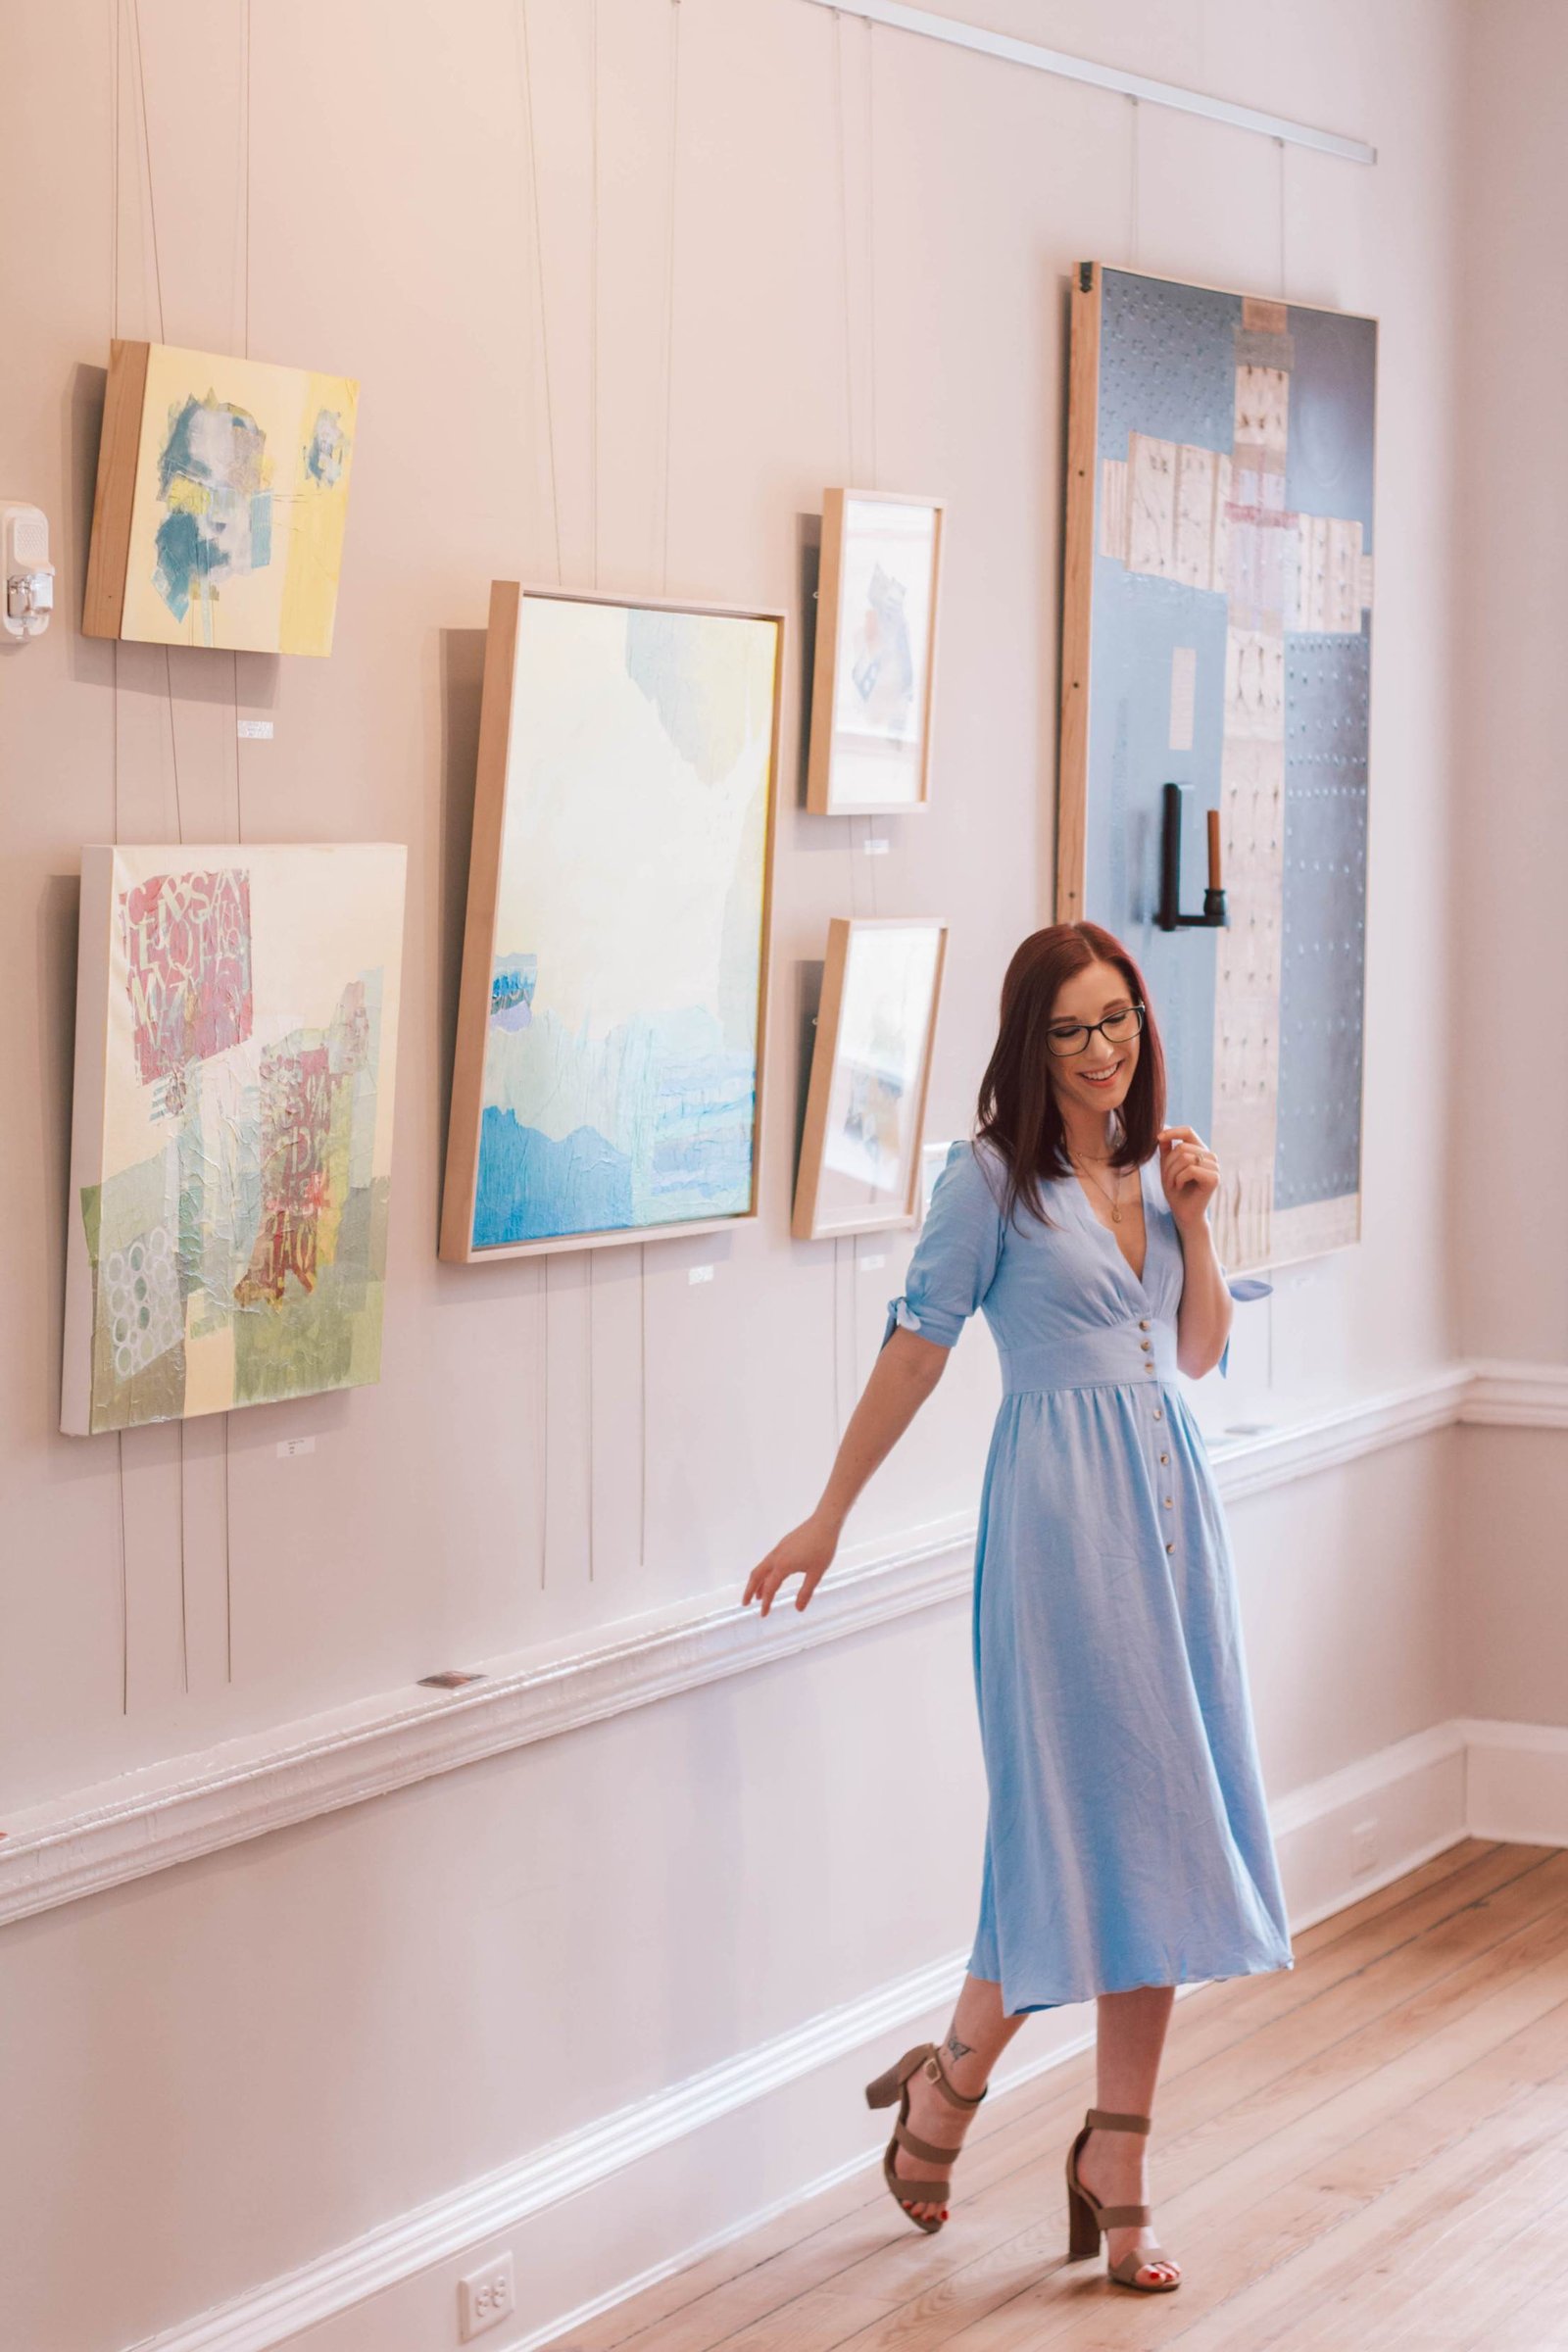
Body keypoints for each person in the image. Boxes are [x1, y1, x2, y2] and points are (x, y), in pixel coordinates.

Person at [743, 920, 1295, 2293]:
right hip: (1060, 1528)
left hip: (1174, 1518)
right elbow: (916, 1349)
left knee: (1165, 1834)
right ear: (1029, 1044)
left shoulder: (1161, 1168)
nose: (1104, 1049)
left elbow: (1195, 1354)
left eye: (1119, 1020)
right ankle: (955, 2090)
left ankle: (1110, 2155)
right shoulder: (988, 1180)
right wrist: (829, 1512)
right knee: (1071, 1831)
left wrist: (1198, 1224)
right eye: (1072, 1029)